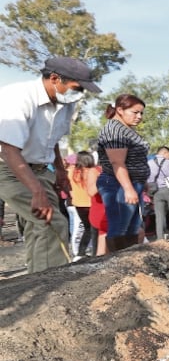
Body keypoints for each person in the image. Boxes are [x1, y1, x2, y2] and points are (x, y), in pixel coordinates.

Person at [0, 57, 100, 272]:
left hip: (39, 169)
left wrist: (61, 172)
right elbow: (9, 150)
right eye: (76, 88)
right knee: (52, 221)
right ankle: (53, 284)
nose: (80, 93)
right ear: (54, 78)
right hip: (8, 167)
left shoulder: (65, 105)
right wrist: (37, 191)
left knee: (38, 226)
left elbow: (51, 140)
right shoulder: (17, 98)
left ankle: (35, 279)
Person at [96, 94, 150, 253]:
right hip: (117, 183)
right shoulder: (114, 130)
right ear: (120, 110)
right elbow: (117, 163)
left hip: (131, 183)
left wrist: (141, 181)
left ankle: (128, 260)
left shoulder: (125, 129)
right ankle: (116, 262)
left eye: (141, 113)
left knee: (132, 228)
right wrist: (128, 188)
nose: (139, 116)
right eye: (135, 112)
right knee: (120, 227)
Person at [68, 151, 97, 259]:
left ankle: (80, 252)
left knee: (87, 228)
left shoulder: (72, 171)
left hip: (78, 204)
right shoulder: (92, 171)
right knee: (94, 229)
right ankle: (94, 252)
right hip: (91, 203)